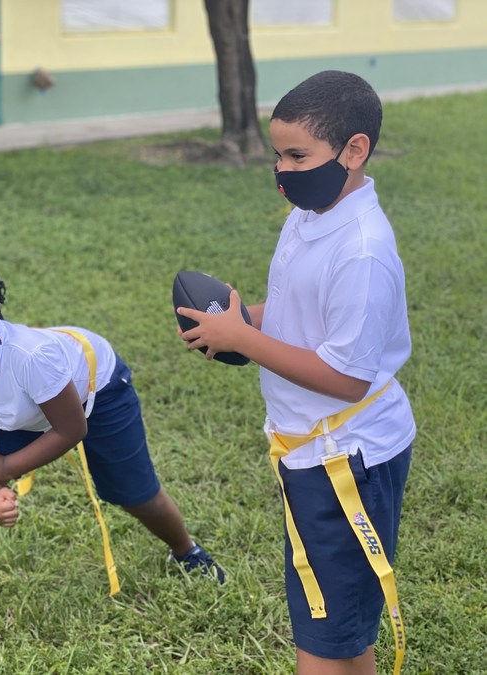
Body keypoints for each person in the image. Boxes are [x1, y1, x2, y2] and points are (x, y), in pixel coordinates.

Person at [176, 70, 415, 675]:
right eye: (276, 154)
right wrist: (239, 320)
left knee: (324, 641)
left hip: (348, 460)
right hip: (311, 452)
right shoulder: (310, 217)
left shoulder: (362, 250)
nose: (281, 170)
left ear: (353, 150)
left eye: (296, 155)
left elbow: (347, 377)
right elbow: (297, 314)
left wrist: (246, 340)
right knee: (337, 629)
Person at [0, 251, 224, 671]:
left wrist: (5, 469)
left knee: (133, 494)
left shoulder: (32, 357)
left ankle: (187, 551)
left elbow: (71, 430)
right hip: (21, 407)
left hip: (94, 393)